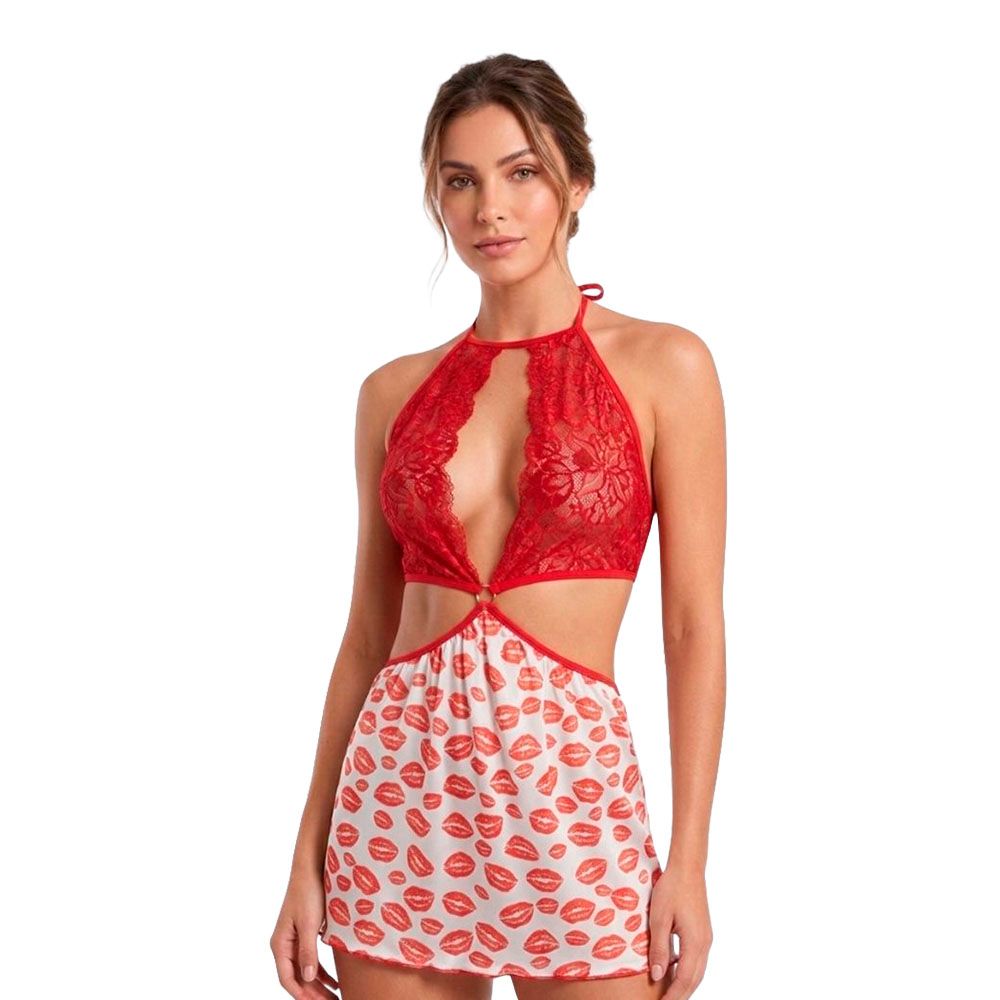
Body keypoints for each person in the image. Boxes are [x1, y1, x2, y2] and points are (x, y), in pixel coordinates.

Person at [271, 53, 726, 1000]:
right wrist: (305, 858)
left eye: (522, 173)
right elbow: (366, 636)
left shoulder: (665, 367)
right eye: (460, 180)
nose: (491, 209)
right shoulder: (391, 393)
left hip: (573, 805)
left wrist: (687, 861)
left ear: (578, 183)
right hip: (396, 810)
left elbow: (691, 627)